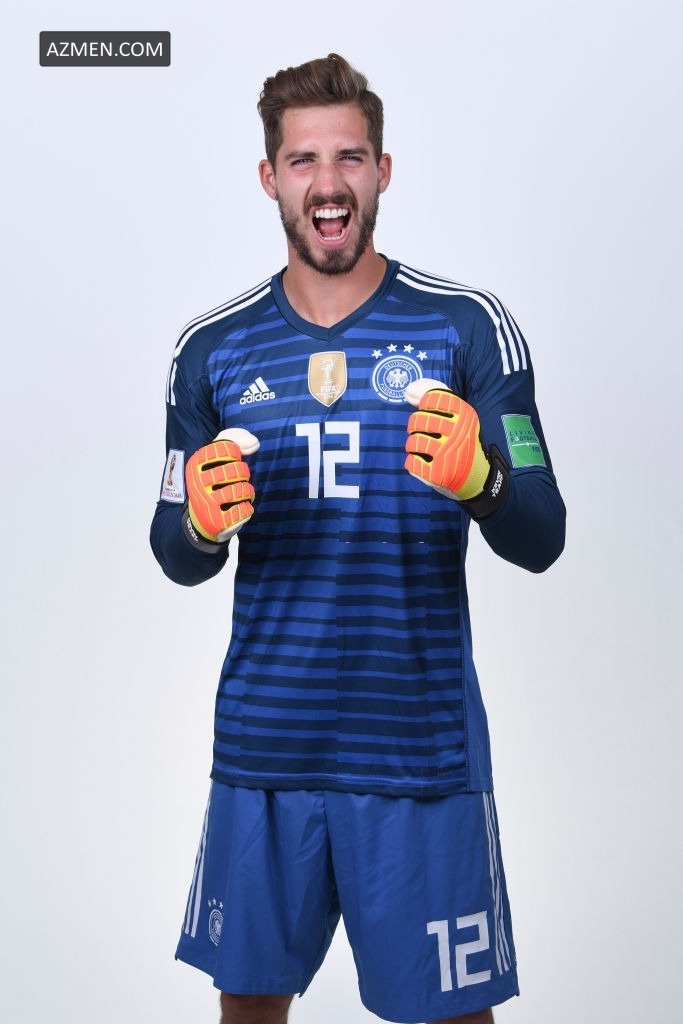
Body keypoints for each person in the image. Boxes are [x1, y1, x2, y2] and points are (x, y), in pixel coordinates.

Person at [150, 52, 565, 1024]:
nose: (327, 182)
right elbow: (171, 547)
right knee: (248, 1014)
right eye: (303, 160)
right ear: (270, 177)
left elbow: (540, 533)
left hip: (418, 751)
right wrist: (199, 526)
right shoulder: (210, 349)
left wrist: (483, 481)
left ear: (382, 170)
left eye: (347, 157)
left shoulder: (465, 329)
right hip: (264, 748)